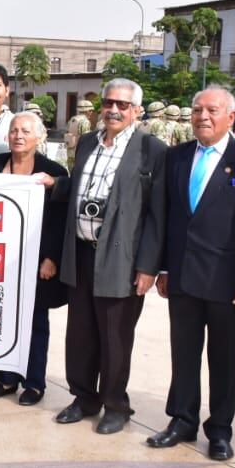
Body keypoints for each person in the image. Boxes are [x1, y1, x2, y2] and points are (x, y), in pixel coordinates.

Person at [148, 86, 235, 460]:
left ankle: (219, 429)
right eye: (197, 109)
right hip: (182, 275)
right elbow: (167, 217)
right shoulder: (176, 157)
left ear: (231, 117)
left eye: (212, 110)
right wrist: (164, 267)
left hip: (227, 280)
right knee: (183, 353)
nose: (202, 116)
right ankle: (181, 420)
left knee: (224, 357)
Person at [55, 78, 167, 435]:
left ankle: (116, 405)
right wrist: (51, 185)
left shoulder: (151, 149)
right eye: (108, 103)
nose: (114, 110)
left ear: (136, 110)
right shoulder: (88, 142)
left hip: (122, 258)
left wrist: (149, 266)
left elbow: (157, 214)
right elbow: (76, 189)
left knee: (115, 337)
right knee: (81, 332)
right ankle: (84, 397)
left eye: (122, 105)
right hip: (82, 252)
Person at [0, 111, 70, 406]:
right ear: (7, 136)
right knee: (1, 319)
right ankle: (7, 379)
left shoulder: (54, 171)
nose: (19, 136)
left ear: (40, 138)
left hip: (36, 259)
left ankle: (34, 383)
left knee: (35, 322)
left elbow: (59, 221)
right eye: (14, 130)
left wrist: (51, 258)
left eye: (26, 131)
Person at [66, 100, 96, 165]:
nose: (91, 113)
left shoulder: (72, 119)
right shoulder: (85, 121)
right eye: (91, 110)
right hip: (79, 153)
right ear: (87, 111)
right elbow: (86, 139)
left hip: (70, 152)